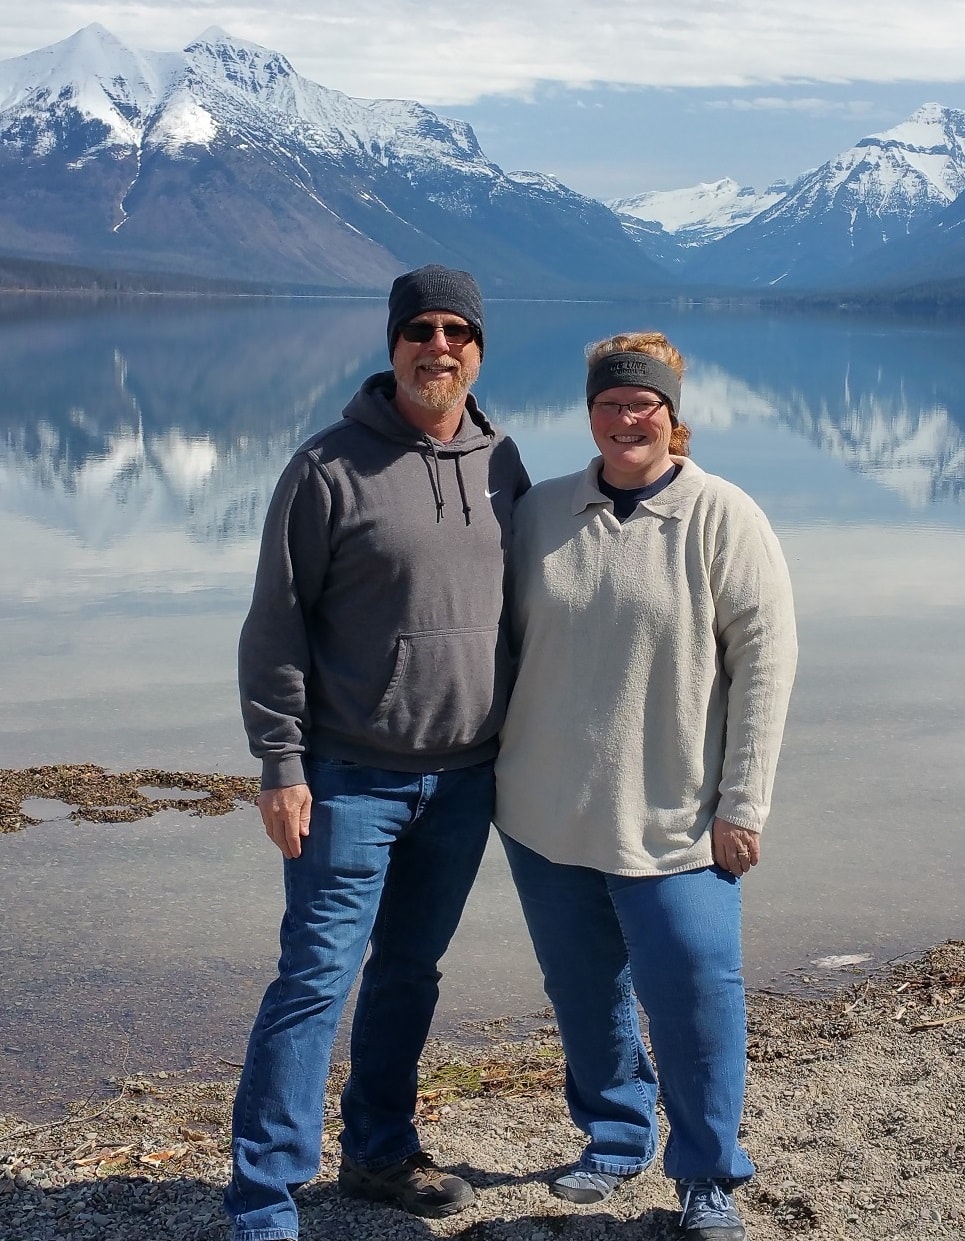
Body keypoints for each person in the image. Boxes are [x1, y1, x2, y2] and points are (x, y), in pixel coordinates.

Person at [225, 264, 530, 1241]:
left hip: (467, 777)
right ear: (391, 342)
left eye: (455, 331)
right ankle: (264, 1200)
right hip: (349, 775)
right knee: (314, 977)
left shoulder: (503, 464)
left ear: (478, 347)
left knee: (408, 971)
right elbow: (274, 626)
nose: (436, 347)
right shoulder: (325, 468)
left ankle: (378, 1151)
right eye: (419, 330)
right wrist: (280, 763)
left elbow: (530, 617)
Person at [494, 331, 797, 1241]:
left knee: (697, 992)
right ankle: (615, 1136)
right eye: (609, 403)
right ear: (588, 412)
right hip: (545, 815)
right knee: (583, 991)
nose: (626, 419)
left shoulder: (723, 515)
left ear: (672, 414)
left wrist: (742, 803)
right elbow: (492, 644)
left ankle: (707, 1174)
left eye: (644, 404)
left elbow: (766, 667)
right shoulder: (541, 512)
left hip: (674, 819)